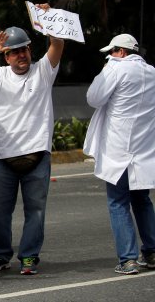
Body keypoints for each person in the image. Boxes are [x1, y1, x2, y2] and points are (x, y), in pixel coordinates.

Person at [0, 19, 64, 275]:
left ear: (30, 51)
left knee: (35, 211)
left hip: (37, 155)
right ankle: (0, 256)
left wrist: (49, 20)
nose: (21, 55)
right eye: (14, 52)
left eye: (24, 49)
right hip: (3, 157)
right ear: (6, 56)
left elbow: (57, 43)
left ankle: (29, 257)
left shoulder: (44, 71)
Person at [83, 34, 155, 274]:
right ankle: (152, 252)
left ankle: (129, 259)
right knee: (142, 200)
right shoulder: (152, 72)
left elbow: (93, 98)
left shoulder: (115, 70)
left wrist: (105, 69)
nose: (110, 57)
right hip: (144, 151)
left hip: (118, 151)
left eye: (112, 53)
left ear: (121, 52)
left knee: (118, 202)